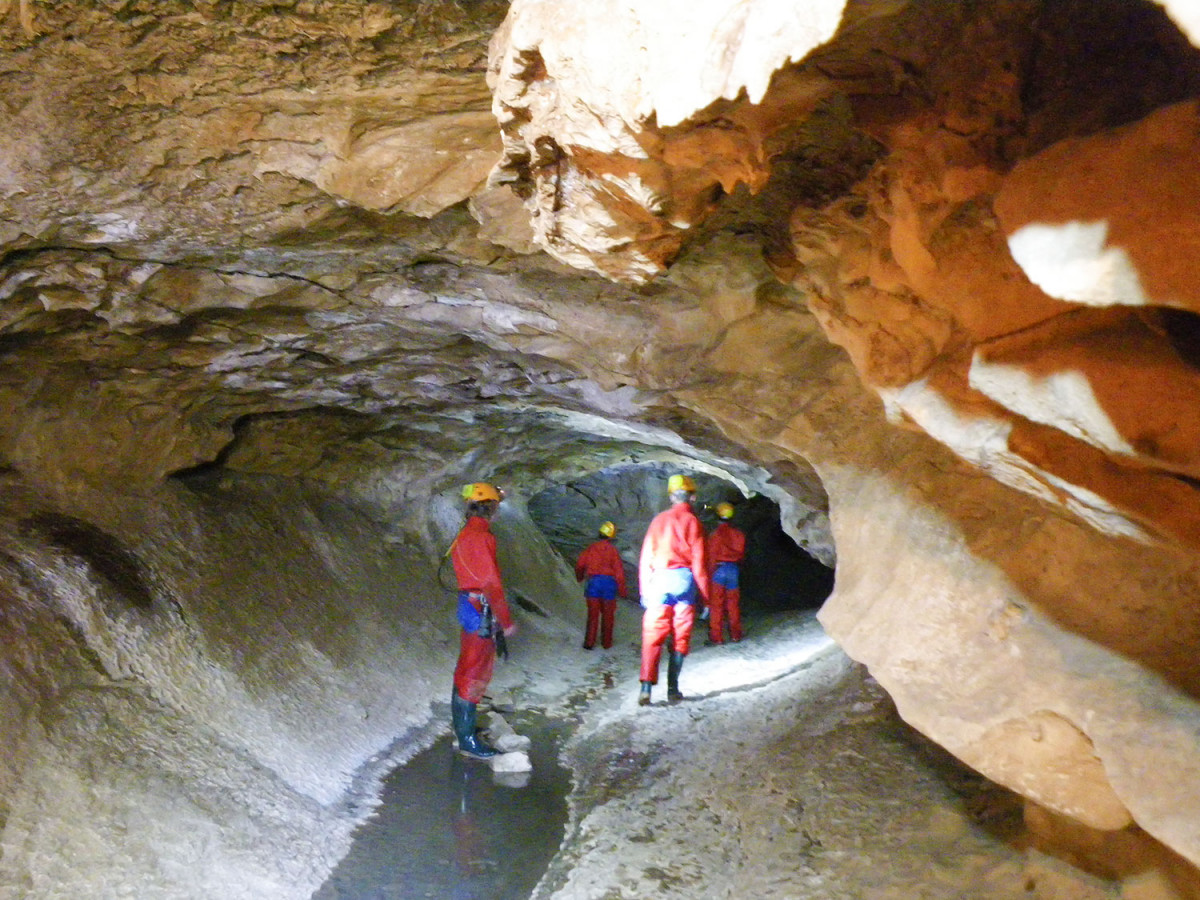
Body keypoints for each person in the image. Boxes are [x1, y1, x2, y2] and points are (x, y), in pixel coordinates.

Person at [449, 482, 517, 759]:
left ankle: (463, 728)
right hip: (481, 608)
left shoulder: (467, 533)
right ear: (490, 507)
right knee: (474, 670)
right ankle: (467, 740)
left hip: (469, 604)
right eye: (496, 505)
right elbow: (490, 582)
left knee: (467, 665)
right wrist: (506, 619)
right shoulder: (481, 537)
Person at [637, 474, 710, 706]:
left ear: (671, 496)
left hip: (659, 580)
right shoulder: (693, 522)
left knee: (653, 634)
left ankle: (646, 689)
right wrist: (706, 599)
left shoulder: (658, 520)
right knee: (681, 636)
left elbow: (646, 556)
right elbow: (699, 565)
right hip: (683, 582)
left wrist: (644, 589)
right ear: (693, 496)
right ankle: (673, 689)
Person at [574, 521, 627, 650]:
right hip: (609, 584)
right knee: (608, 615)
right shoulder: (613, 551)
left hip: (594, 583)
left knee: (593, 615)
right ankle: (606, 643)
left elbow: (580, 564)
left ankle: (589, 643)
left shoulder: (591, 548)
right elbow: (619, 572)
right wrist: (622, 590)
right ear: (611, 536)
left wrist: (580, 577)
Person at [706, 501, 746, 644]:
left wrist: (709, 575)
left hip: (719, 569)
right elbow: (741, 554)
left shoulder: (715, 535)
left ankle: (717, 637)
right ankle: (736, 634)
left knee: (716, 604)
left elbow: (711, 556)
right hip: (733, 570)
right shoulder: (738, 534)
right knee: (733, 604)